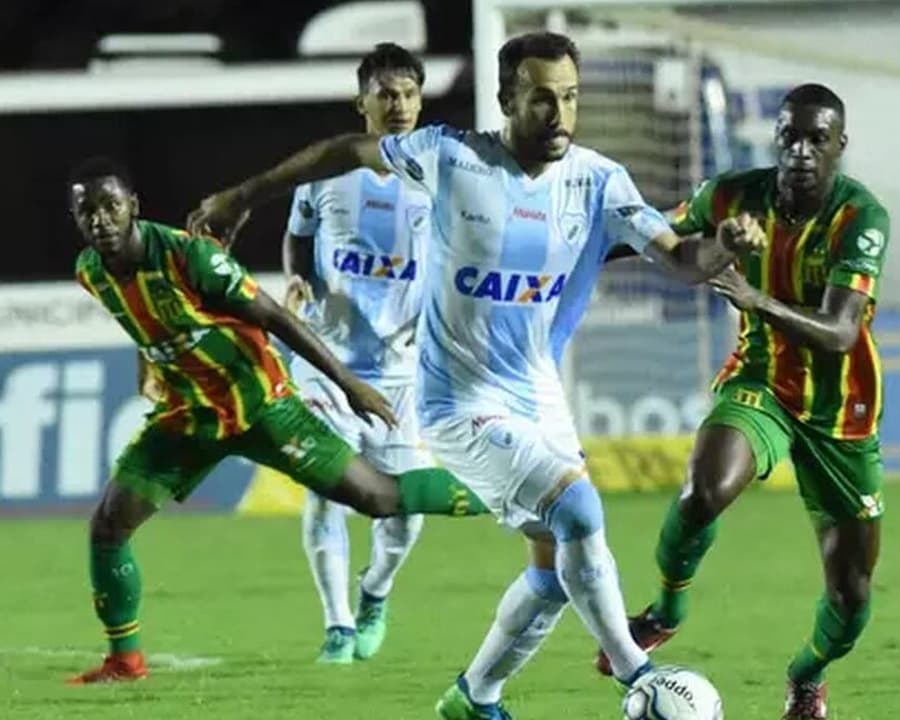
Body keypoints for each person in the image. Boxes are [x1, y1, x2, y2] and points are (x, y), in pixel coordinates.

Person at [187, 31, 763, 719]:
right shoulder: (450, 156)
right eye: (542, 99)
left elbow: (679, 258)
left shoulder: (599, 181)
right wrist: (244, 194)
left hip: (538, 395)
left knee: (552, 573)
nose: (560, 114)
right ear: (507, 99)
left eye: (571, 98)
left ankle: (474, 698)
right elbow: (345, 151)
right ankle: (639, 676)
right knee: (579, 510)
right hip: (456, 400)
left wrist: (721, 247)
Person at [65, 157, 485, 685]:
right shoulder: (91, 271)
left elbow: (275, 317)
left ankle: (503, 491)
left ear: (133, 208)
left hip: (261, 405)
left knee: (378, 498)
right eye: (87, 211)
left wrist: (347, 384)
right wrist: (148, 368)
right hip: (189, 416)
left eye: (110, 206)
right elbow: (142, 323)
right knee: (109, 523)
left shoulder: (186, 256)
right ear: (77, 219)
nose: (100, 219)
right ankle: (124, 662)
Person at [595, 84, 890, 720]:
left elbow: (842, 333)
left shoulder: (861, 217)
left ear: (841, 145)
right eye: (791, 136)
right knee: (702, 491)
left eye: (818, 139)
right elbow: (654, 238)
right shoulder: (729, 196)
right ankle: (666, 610)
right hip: (761, 382)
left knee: (852, 596)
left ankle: (806, 676)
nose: (802, 150)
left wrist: (759, 301)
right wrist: (576, 251)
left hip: (843, 414)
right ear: (775, 139)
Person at [282, 42, 443, 665]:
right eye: (386, 93)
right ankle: (338, 625)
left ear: (420, 101)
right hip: (328, 361)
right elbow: (297, 236)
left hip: (404, 372)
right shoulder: (328, 171)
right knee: (327, 486)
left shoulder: (441, 177)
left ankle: (374, 591)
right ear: (363, 102)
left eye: (408, 93)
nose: (398, 104)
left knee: (404, 515)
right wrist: (299, 279)